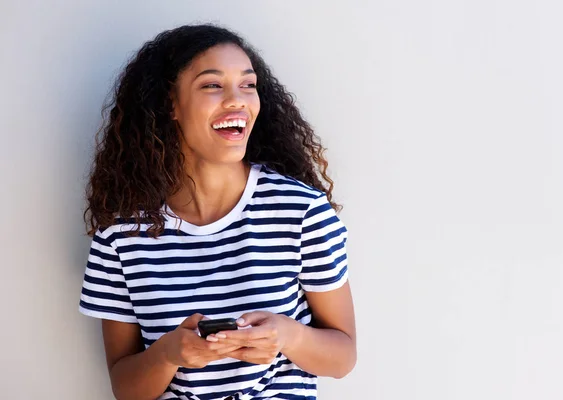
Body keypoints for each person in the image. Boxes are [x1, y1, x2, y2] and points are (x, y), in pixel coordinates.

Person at [79, 23, 356, 400]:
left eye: (248, 84)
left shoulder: (302, 211)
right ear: (169, 106)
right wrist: (168, 354)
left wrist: (287, 336)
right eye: (212, 85)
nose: (238, 100)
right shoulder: (120, 235)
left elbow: (343, 358)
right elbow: (126, 389)